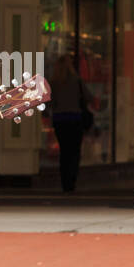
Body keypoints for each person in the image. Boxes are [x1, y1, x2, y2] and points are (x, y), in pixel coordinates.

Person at [48, 55, 89, 194]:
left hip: (60, 119)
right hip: (75, 118)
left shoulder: (53, 83)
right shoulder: (77, 81)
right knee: (75, 151)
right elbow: (87, 97)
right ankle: (72, 180)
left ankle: (65, 182)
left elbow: (50, 102)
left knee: (64, 151)